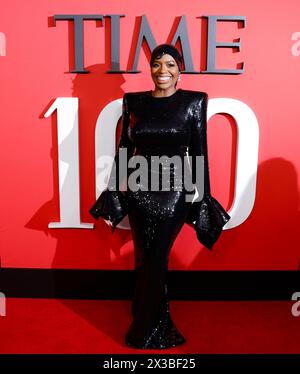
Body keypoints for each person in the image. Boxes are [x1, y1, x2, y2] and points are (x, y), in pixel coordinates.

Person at [89, 44, 230, 349]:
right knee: (144, 259)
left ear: (180, 70)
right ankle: (153, 318)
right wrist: (115, 190)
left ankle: (143, 330)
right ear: (150, 68)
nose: (162, 70)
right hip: (140, 192)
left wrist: (202, 198)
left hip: (173, 195)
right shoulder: (134, 102)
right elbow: (125, 150)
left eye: (170, 64)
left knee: (155, 259)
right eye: (156, 64)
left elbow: (198, 153)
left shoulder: (193, 102)